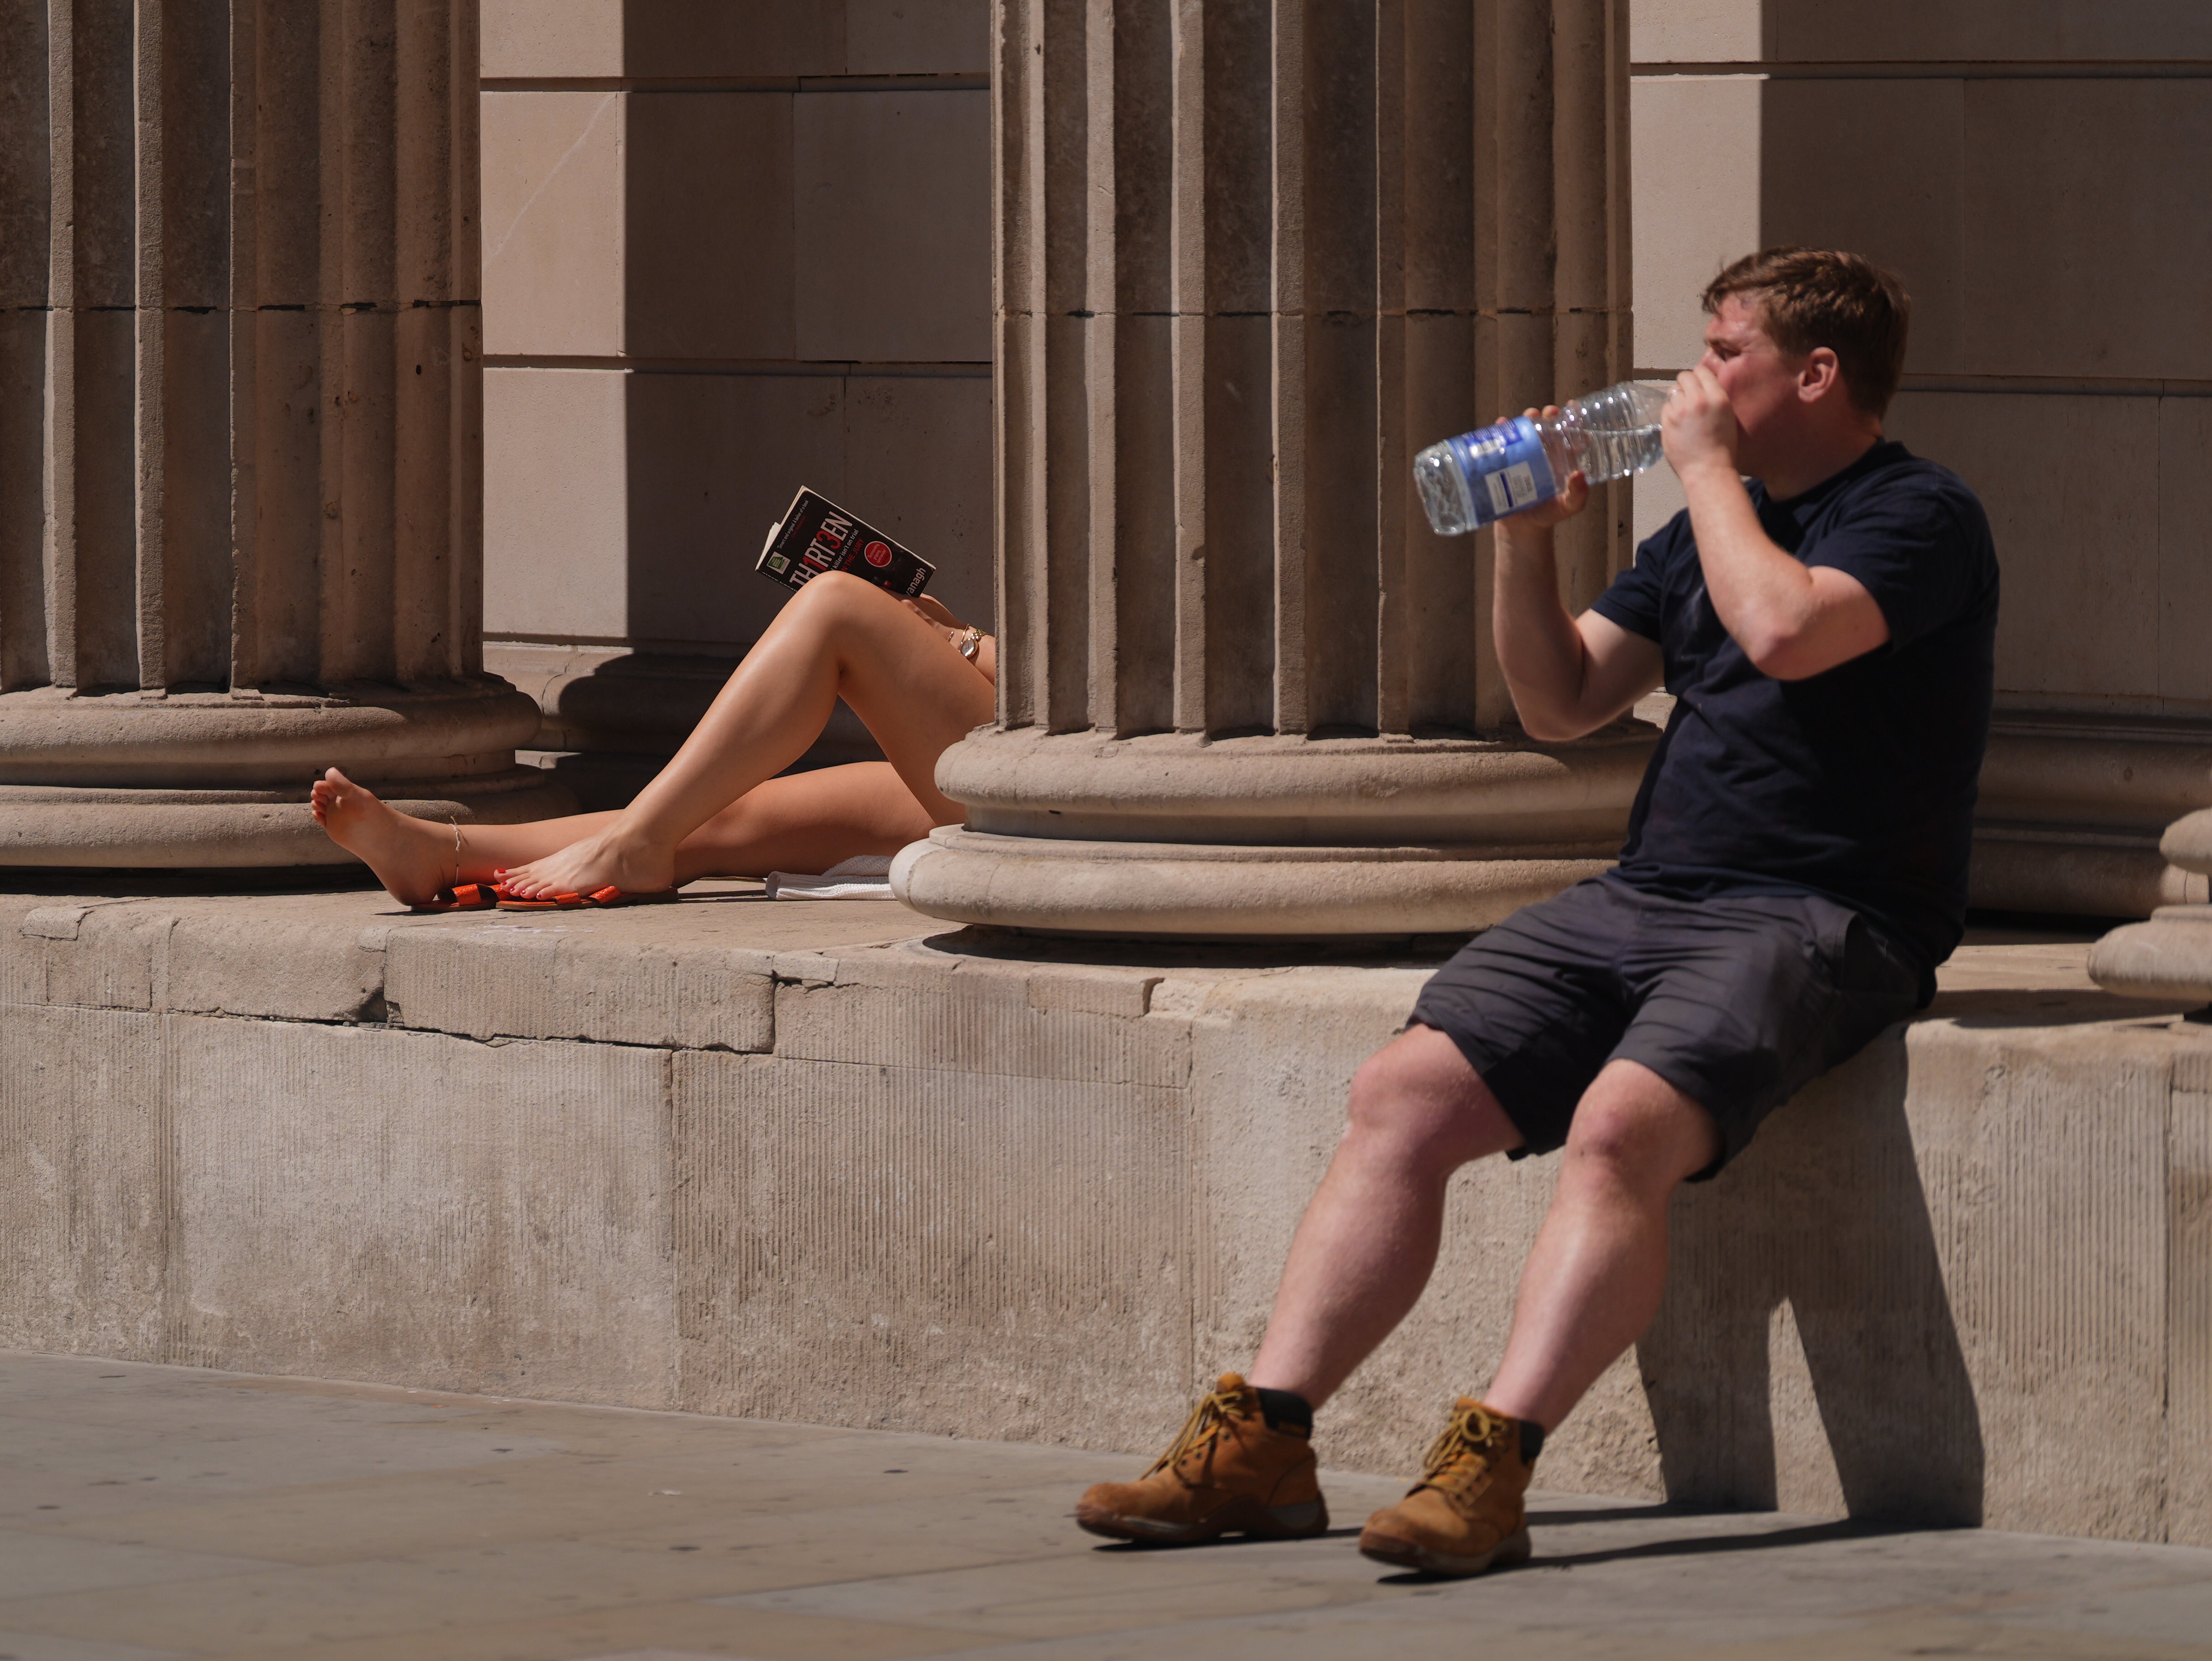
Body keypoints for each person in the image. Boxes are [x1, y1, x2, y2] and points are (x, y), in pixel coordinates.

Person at [1074, 248, 1998, 1575]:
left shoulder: (1917, 515)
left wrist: (1699, 469)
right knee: (1402, 1091)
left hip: (1823, 915)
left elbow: (1791, 632)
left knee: (1622, 1124)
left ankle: (1493, 1465)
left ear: (1817, 372)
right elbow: (1564, 700)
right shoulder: (1701, 533)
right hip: (1647, 899)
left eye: (1726, 350)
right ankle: (1266, 1440)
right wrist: (1524, 545)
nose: (1698, 379)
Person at [313, 572, 996, 908]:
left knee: (838, 607)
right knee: (720, 808)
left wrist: (955, 644)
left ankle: (632, 849)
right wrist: (958, 639)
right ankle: (441, 853)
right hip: (1039, 752)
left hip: (1071, 779)